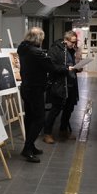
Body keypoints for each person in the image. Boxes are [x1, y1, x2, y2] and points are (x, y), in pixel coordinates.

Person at [17, 27, 66, 162]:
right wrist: (68, 68)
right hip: (35, 89)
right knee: (39, 119)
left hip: (26, 88)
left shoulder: (22, 48)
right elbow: (52, 68)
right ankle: (27, 149)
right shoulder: (37, 53)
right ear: (38, 39)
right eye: (42, 38)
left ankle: (31, 146)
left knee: (30, 118)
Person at [44, 30, 82, 143]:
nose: (74, 45)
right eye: (72, 42)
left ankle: (63, 130)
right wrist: (66, 68)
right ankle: (47, 133)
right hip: (59, 84)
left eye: (75, 42)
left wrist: (77, 68)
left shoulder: (71, 50)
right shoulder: (55, 49)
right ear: (65, 40)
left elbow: (72, 64)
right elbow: (51, 67)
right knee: (55, 109)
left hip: (71, 83)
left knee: (69, 109)